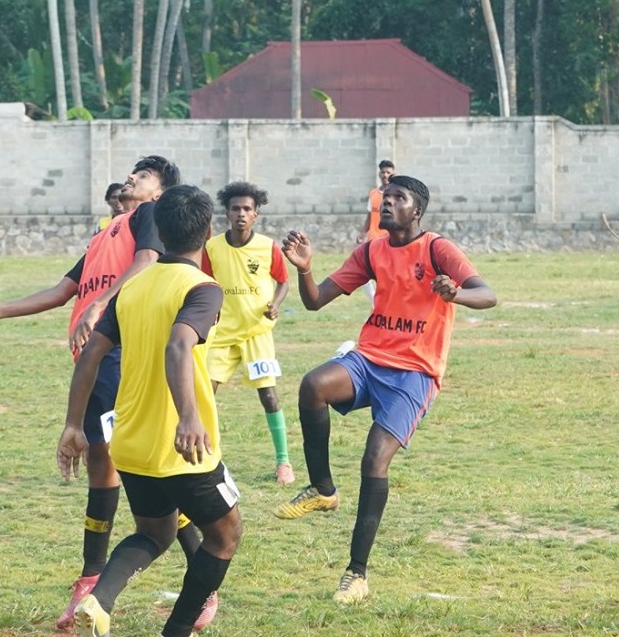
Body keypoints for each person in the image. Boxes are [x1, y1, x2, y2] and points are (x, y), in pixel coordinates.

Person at [0, 156, 214, 632]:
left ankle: (188, 580)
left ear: (159, 196)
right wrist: (1, 310)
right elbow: (63, 289)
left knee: (127, 468)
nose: (131, 177)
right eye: (133, 172)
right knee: (105, 463)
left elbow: (145, 262)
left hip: (119, 355)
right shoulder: (104, 234)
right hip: (93, 361)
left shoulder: (146, 218)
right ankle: (94, 579)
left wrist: (101, 304)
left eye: (143, 175)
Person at [275, 175, 497, 603]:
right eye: (386, 197)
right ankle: (322, 489)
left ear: (417, 210)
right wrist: (304, 269)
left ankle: (356, 573)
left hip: (415, 371)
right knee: (313, 385)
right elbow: (315, 300)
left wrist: (455, 294)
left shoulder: (437, 249)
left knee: (374, 460)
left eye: (399, 198)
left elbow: (488, 295)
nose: (388, 203)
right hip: (370, 359)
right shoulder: (372, 251)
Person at [57, 184, 242, 637]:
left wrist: (73, 425)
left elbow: (90, 354)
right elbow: (179, 346)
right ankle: (176, 631)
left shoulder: (132, 289)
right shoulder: (202, 289)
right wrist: (189, 416)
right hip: (182, 446)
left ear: (158, 228)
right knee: (226, 535)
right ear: (209, 232)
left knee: (154, 534)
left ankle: (99, 599)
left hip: (131, 445)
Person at [201, 181, 293, 485]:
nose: (241, 214)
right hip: (222, 334)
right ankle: (206, 459)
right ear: (227, 213)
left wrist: (275, 305)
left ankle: (283, 462)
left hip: (257, 333)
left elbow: (283, 281)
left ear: (256, 214)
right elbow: (204, 282)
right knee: (204, 394)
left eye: (247, 209)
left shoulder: (268, 247)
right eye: (235, 208)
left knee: (268, 395)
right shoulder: (212, 248)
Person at [356, 160, 396, 303]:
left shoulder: (395, 195)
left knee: (386, 274)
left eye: (388, 172)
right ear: (379, 174)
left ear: (393, 173)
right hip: (373, 241)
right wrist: (363, 233)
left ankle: (388, 302)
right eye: (383, 172)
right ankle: (376, 304)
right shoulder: (373, 193)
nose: (385, 175)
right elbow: (370, 215)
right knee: (365, 273)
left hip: (389, 242)